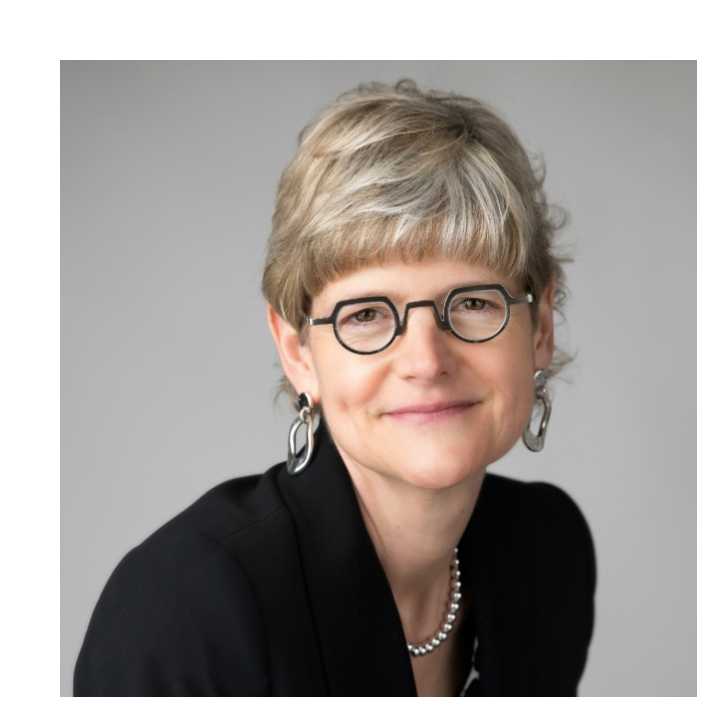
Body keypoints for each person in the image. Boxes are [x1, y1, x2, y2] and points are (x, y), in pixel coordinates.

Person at [74, 80, 595, 697]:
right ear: (298, 352)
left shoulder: (546, 556)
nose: (426, 361)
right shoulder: (186, 606)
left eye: (474, 303)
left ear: (541, 326)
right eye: (367, 314)